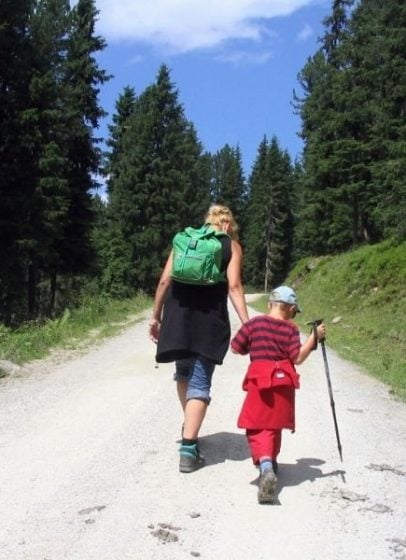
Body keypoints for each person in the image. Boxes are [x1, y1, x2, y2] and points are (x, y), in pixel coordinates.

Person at [149, 204, 249, 473]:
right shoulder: (231, 246)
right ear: (228, 225)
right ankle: (189, 448)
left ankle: (188, 424)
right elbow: (235, 286)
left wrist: (155, 316)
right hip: (209, 322)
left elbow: (164, 281)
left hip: (177, 319)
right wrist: (247, 324)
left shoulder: (185, 239)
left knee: (183, 374)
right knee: (200, 382)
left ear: (208, 222)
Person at [230, 285, 325, 504]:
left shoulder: (254, 324)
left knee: (256, 425)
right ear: (291, 309)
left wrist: (251, 344)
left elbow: (236, 348)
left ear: (269, 304)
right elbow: (297, 358)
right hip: (284, 382)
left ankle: (265, 466)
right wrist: (314, 337)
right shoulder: (291, 329)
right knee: (273, 425)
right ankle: (271, 461)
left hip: (260, 381)